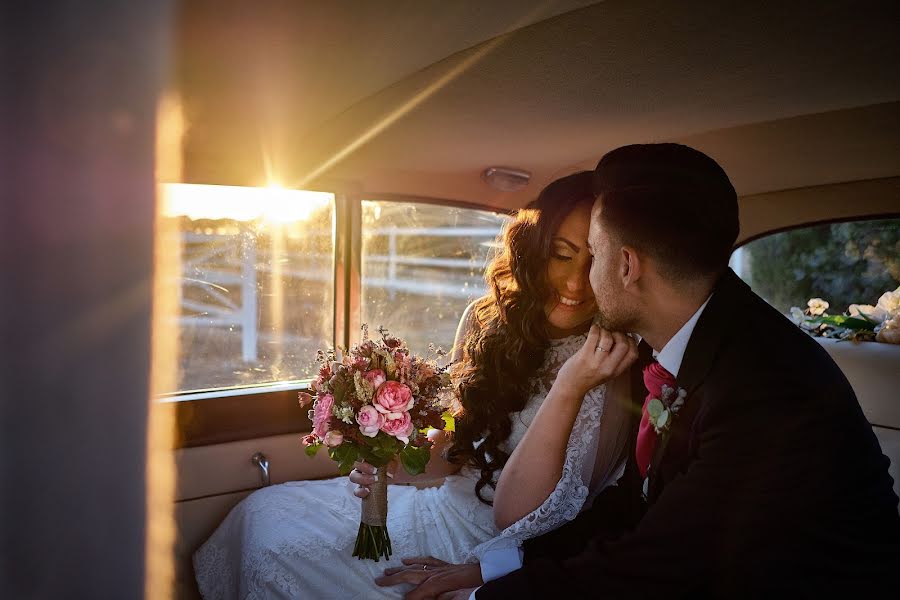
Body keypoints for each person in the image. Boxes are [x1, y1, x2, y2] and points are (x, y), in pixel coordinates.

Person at [426, 143, 900, 599]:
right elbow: (636, 506)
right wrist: (495, 568)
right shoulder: (686, 345)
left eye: (594, 252)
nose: (581, 279)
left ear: (627, 265)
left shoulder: (764, 393)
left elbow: (657, 565)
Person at [192, 171, 640, 599]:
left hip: (497, 549)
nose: (576, 283)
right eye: (562, 255)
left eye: (593, 260)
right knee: (262, 515)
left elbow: (517, 519)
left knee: (280, 551)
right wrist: (394, 462)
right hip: (442, 505)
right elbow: (455, 451)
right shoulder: (488, 322)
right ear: (535, 251)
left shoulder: (612, 363)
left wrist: (569, 385)